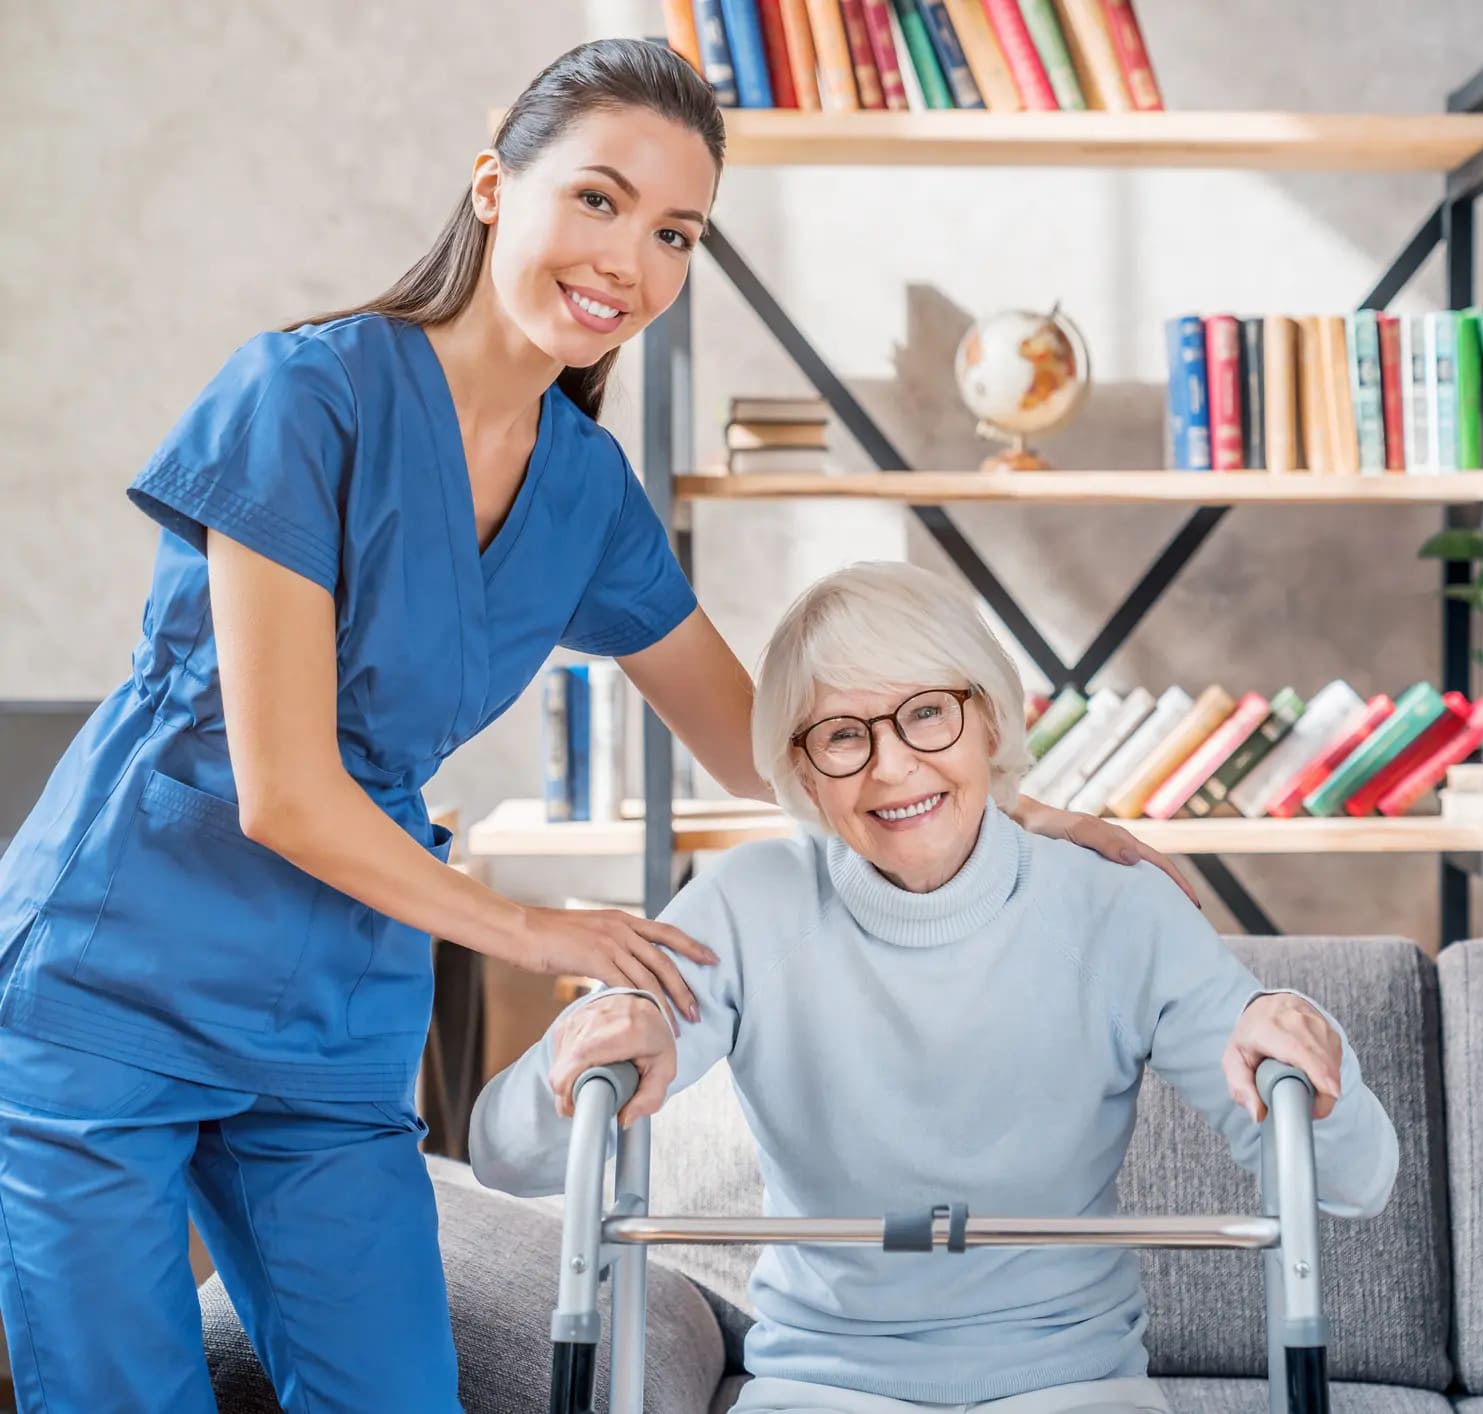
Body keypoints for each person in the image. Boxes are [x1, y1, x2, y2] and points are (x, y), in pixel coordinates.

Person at [0, 41, 1185, 1414]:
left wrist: (998, 806)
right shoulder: (301, 397)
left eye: (676, 231)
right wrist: (537, 931)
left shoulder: (586, 487)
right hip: (117, 973)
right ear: (496, 179)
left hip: (327, 1011)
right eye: (602, 200)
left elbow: (757, 737)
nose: (632, 258)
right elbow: (281, 789)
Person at [470, 562, 1400, 1414]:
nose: (891, 766)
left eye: (925, 714)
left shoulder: (1120, 910)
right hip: (820, 1387)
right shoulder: (747, 905)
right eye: (841, 735)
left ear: (988, 717)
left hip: (1071, 1386)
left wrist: (1303, 1053)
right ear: (800, 770)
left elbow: (1358, 1180)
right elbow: (507, 1158)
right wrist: (589, 1038)